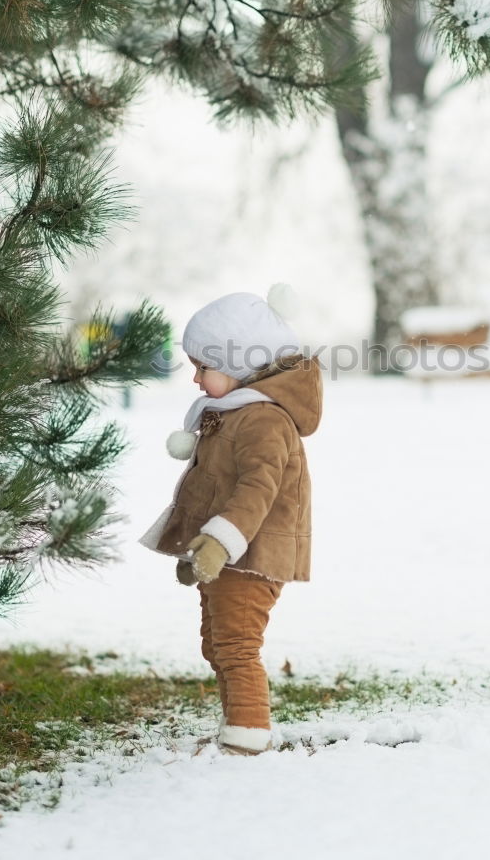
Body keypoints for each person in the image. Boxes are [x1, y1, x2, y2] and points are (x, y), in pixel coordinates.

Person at [139, 285, 323, 755]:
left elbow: (257, 489)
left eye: (204, 366)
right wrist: (195, 546)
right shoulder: (233, 414)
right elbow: (210, 488)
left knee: (237, 645)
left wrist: (219, 543)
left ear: (241, 363)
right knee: (217, 645)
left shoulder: (264, 420)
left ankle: (247, 736)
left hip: (253, 553)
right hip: (231, 554)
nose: (196, 379)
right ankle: (236, 725)